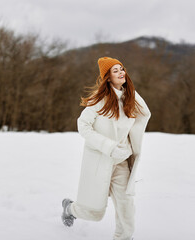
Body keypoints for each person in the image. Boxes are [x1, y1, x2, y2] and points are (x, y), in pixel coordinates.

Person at [62, 56, 151, 240]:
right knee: (92, 211)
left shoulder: (130, 98)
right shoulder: (99, 100)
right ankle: (70, 208)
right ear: (107, 77)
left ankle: (124, 237)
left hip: (121, 162)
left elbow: (145, 114)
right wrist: (109, 147)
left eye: (122, 69)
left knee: (126, 205)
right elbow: (83, 126)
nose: (121, 72)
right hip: (101, 160)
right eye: (115, 70)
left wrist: (130, 92)